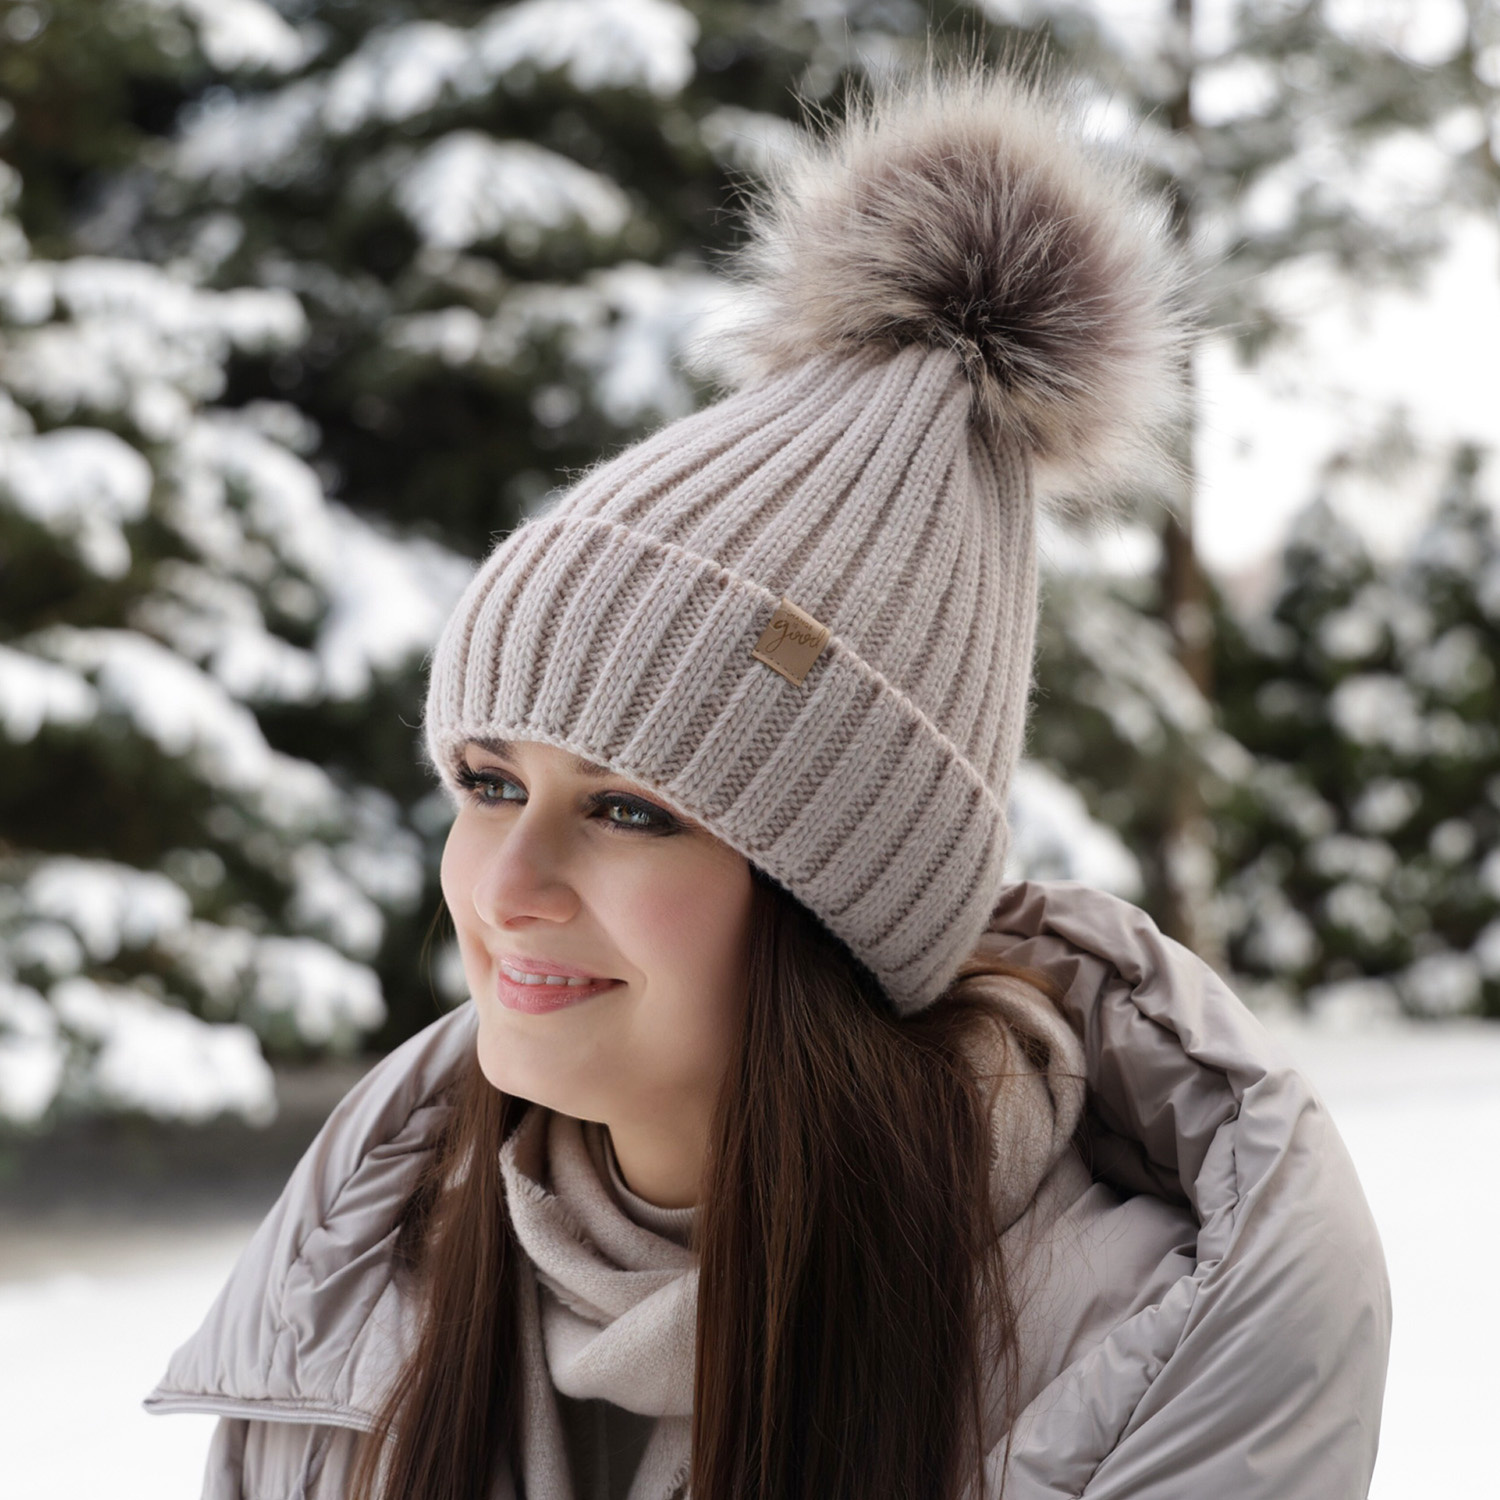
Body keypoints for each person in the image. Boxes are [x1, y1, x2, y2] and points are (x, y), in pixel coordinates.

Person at [144, 58, 1391, 1500]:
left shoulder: (1125, 1352)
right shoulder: (380, 1286)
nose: (503, 886)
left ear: (848, 897)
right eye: (489, 782)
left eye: (629, 809)